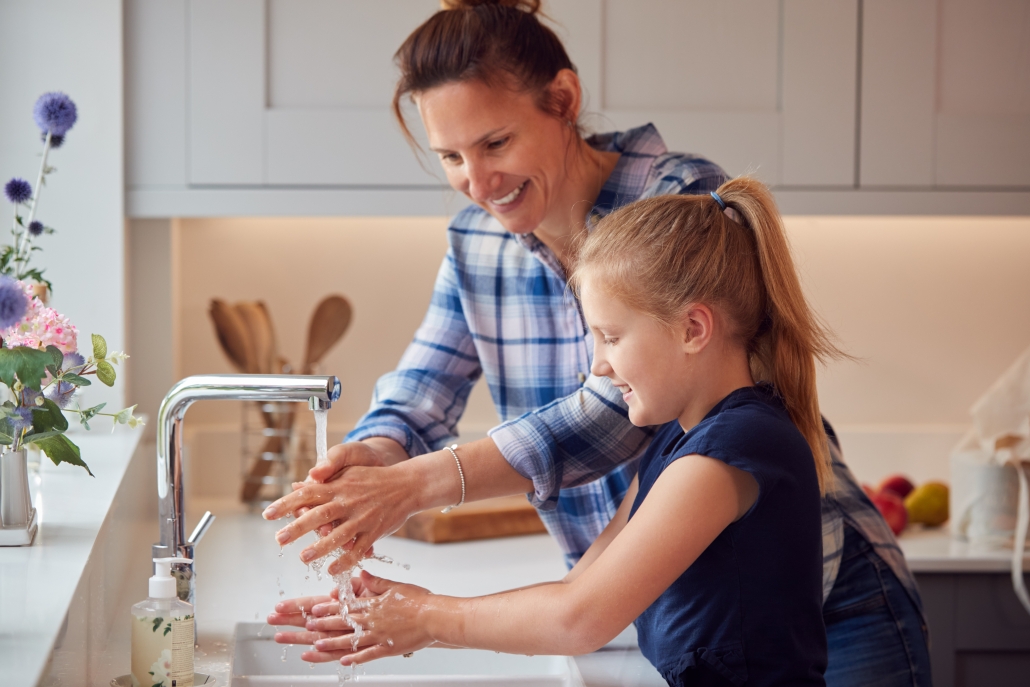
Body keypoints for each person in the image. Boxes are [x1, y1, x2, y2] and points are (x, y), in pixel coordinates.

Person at [262, 2, 930, 684]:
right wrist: (373, 464)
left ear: (563, 99)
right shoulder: (478, 243)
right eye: (451, 157)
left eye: (495, 143)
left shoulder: (677, 203)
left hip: (830, 598)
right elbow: (422, 388)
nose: (476, 181)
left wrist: (421, 500)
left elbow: (611, 410)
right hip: (667, 607)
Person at [293, 184, 835, 685]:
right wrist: (401, 611)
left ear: (693, 329)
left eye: (611, 336)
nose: (597, 366)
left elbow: (580, 620)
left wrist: (427, 617)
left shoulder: (729, 453)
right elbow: (578, 591)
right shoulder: (679, 440)